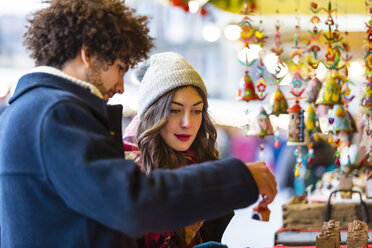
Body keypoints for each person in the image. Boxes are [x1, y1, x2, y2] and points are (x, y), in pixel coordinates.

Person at [0, 0, 277, 247]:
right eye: (120, 68)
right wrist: (239, 177)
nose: (121, 86)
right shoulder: (55, 112)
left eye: (196, 111)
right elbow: (130, 202)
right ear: (88, 54)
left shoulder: (29, 109)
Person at [123, 52, 235, 247]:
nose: (187, 123)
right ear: (152, 113)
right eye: (175, 110)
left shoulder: (204, 164)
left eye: (197, 111)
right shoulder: (124, 169)